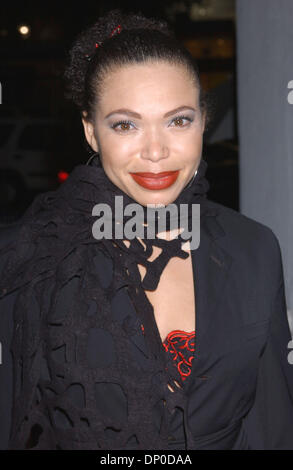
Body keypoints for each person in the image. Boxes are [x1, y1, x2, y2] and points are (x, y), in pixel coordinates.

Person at [0, 8, 293, 450]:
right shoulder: (31, 257)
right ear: (91, 132)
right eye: (125, 124)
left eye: (178, 120)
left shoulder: (254, 248)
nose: (156, 151)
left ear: (202, 120)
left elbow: (272, 424)